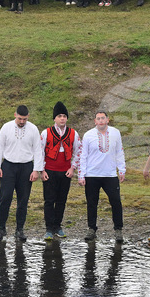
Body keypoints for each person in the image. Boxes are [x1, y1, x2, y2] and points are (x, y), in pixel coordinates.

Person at [0, 105, 44, 243]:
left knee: (23, 199)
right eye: (20, 119)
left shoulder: (33, 129)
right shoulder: (6, 127)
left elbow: (38, 150)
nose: (22, 121)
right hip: (8, 166)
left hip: (26, 166)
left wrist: (36, 169)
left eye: (25, 119)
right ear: (15, 115)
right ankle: (1, 228)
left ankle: (19, 229)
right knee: (5, 197)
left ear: (28, 117)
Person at [77, 111, 126, 241]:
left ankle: (118, 230)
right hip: (92, 174)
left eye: (103, 118)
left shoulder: (115, 133)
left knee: (116, 201)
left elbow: (119, 151)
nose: (101, 121)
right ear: (95, 121)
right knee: (92, 203)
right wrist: (81, 175)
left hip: (110, 174)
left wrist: (122, 170)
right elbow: (83, 156)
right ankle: (91, 229)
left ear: (107, 120)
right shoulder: (88, 135)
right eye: (98, 119)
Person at [40, 102, 80, 241]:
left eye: (64, 116)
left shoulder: (73, 133)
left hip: (65, 172)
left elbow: (78, 152)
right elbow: (40, 152)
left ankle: (58, 226)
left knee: (62, 200)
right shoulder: (46, 133)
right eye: (59, 116)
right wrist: (42, 170)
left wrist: (72, 168)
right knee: (49, 200)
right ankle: (49, 228)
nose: (62, 118)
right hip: (50, 171)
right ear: (54, 118)